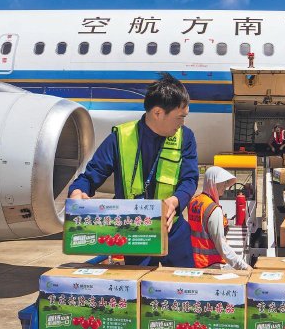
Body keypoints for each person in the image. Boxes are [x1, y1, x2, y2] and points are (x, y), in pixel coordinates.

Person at [68, 73, 199, 267]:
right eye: (180, 117)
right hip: (135, 234)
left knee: (183, 281)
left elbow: (189, 179)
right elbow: (90, 176)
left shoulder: (185, 137)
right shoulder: (120, 138)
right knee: (136, 284)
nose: (182, 123)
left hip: (172, 229)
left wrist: (175, 201)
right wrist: (77, 191)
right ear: (157, 113)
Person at [188, 166, 251, 270]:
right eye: (223, 182)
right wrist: (243, 266)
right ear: (213, 183)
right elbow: (222, 246)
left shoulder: (194, 202)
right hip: (210, 265)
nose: (225, 186)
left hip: (194, 262)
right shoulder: (213, 209)